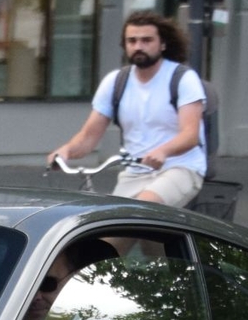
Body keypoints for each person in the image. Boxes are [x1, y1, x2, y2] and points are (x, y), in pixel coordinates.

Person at [47, 12, 208, 207]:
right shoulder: (116, 82)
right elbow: (89, 137)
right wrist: (66, 151)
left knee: (141, 212)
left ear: (162, 44)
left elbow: (190, 135)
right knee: (108, 232)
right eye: (132, 41)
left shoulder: (183, 78)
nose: (138, 46)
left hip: (180, 168)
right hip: (134, 172)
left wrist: (163, 151)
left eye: (146, 40)